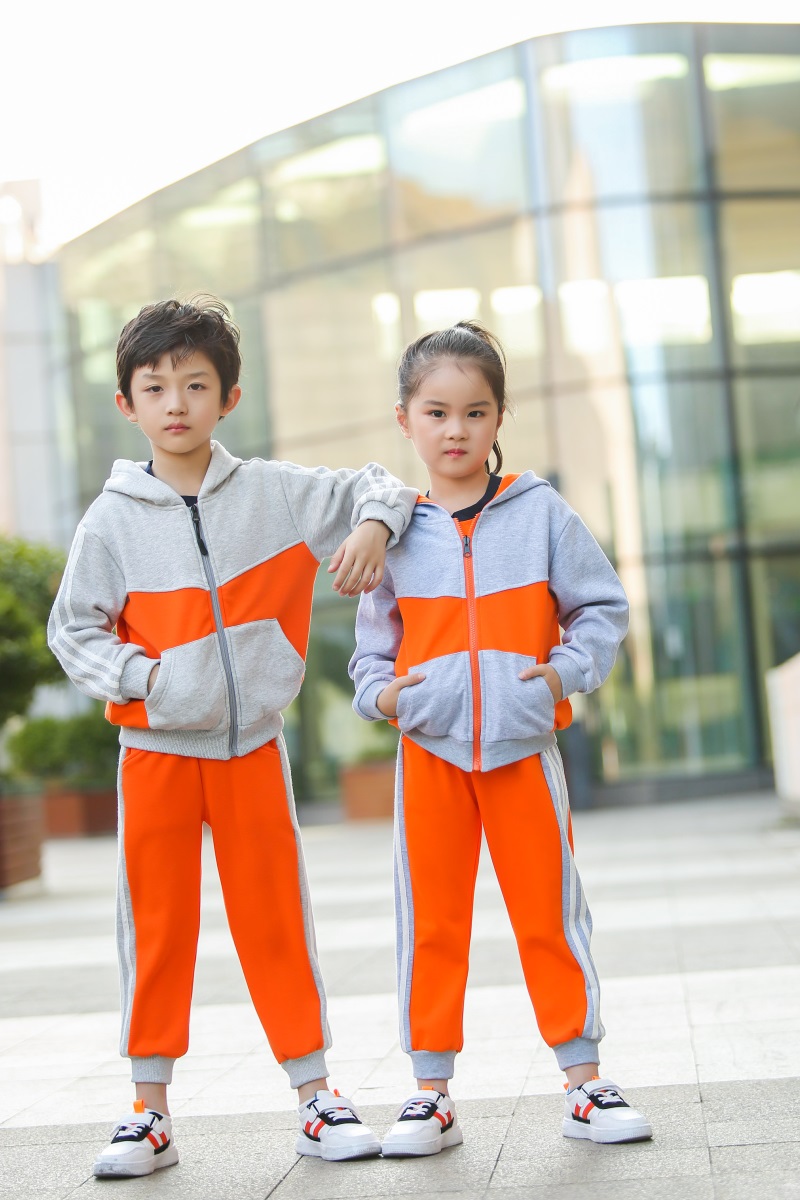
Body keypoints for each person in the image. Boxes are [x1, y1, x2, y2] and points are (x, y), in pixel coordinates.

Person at [48, 296, 418, 1178]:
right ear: (126, 404)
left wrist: (372, 528)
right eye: (155, 387)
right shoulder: (111, 520)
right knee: (157, 926)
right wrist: (149, 681)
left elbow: (386, 486)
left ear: (229, 397)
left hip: (252, 748)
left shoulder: (276, 494)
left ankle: (316, 1096)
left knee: (275, 917)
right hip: (156, 756)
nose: (176, 403)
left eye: (195, 384)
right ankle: (148, 1112)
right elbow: (74, 631)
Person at [349, 321, 652, 1157]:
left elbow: (601, 609)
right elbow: (369, 653)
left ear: (499, 417)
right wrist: (388, 697)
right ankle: (430, 1095)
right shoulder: (393, 531)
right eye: (436, 412)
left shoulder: (541, 512)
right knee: (431, 923)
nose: (456, 430)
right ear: (405, 419)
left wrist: (559, 676)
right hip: (430, 755)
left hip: (523, 750)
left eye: (475, 412)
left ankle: (584, 1081)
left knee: (549, 915)